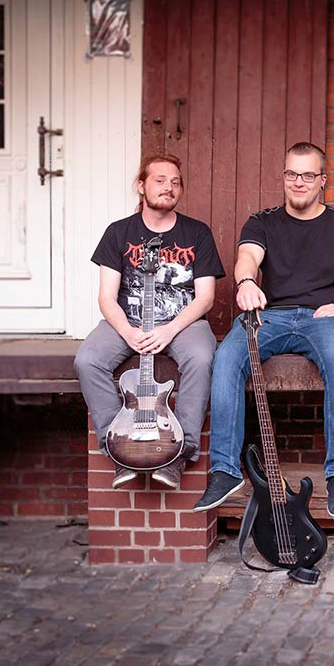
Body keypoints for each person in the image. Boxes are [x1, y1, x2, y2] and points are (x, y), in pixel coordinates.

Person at [193, 142, 334, 518]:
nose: (298, 182)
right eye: (292, 173)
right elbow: (248, 255)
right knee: (226, 358)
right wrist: (246, 281)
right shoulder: (263, 222)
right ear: (283, 176)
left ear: (322, 180)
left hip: (325, 320)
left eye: (308, 175)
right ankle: (225, 471)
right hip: (271, 316)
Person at [74, 154, 225, 489]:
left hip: (182, 323)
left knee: (201, 358)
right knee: (88, 360)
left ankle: (180, 452)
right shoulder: (119, 232)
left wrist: (169, 329)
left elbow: (205, 297)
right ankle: (118, 448)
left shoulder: (197, 233)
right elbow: (106, 297)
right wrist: (128, 332)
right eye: (160, 180)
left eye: (175, 182)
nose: (168, 187)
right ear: (141, 186)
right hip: (128, 319)